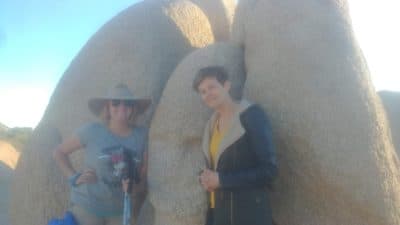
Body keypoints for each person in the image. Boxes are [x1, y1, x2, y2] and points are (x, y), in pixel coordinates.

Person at [53, 83, 151, 225]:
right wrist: (73, 177)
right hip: (87, 208)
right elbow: (59, 152)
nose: (122, 107)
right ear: (108, 107)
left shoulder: (141, 136)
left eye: (127, 103)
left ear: (133, 108)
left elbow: (142, 177)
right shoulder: (92, 131)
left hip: (121, 211)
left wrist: (134, 187)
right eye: (115, 103)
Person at [193, 66, 278, 225]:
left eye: (212, 87)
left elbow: (269, 170)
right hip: (218, 212)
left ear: (226, 86)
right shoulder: (211, 125)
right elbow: (219, 166)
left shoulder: (251, 115)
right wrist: (204, 178)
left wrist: (222, 180)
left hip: (247, 214)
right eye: (202, 91)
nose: (207, 94)